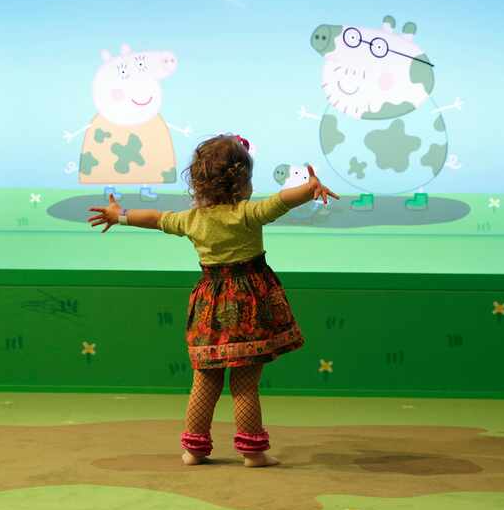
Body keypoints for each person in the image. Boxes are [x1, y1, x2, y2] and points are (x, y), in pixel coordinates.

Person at [88, 134, 338, 467]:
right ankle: (252, 452)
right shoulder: (246, 214)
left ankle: (193, 450)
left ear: (198, 183)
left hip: (210, 304)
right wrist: (309, 189)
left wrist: (120, 215)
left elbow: (154, 218)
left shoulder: (192, 220)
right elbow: (281, 200)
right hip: (248, 302)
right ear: (243, 181)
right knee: (245, 382)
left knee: (205, 379)